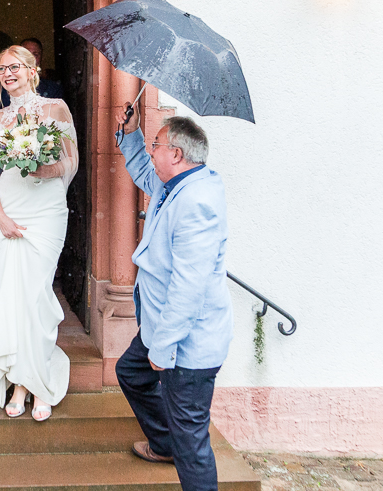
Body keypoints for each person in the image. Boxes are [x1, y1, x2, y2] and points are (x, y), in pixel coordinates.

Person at [113, 106, 233, 491]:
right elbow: (146, 174)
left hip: (186, 344)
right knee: (131, 372)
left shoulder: (196, 203)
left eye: (156, 144)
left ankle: (176, 450)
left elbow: (188, 288)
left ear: (177, 154)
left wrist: (162, 349)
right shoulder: (177, 184)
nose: (152, 150)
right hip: (159, 327)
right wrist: (130, 134)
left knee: (192, 441)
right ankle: (163, 443)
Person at [0, 45, 78, 421]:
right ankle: (21, 383)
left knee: (36, 295)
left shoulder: (56, 109)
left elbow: (71, 161)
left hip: (46, 211)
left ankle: (35, 384)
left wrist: (44, 170)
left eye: (15, 66)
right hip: (9, 207)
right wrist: (0, 217)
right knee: (9, 295)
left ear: (32, 70)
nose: (8, 73)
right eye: (1, 68)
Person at [0, 37, 63, 105]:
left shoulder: (53, 89)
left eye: (35, 54)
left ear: (41, 58)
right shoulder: (4, 88)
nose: (31, 58)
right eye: (26, 54)